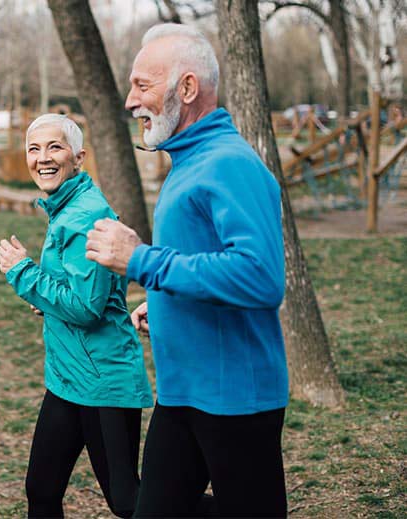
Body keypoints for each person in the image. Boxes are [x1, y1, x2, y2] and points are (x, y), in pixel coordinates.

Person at [85, 23, 289, 518]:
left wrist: (140, 261)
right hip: (182, 394)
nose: (131, 102)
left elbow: (261, 276)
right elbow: (203, 261)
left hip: (235, 399)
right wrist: (163, 303)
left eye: (142, 86)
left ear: (188, 88)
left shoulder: (228, 164)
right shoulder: (189, 162)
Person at [0, 113, 153, 518]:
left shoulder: (84, 216)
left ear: (78, 157)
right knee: (42, 489)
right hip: (69, 378)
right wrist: (48, 297)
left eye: (55, 147)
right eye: (34, 149)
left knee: (128, 501)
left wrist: (23, 273)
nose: (42, 158)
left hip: (103, 380)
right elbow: (86, 292)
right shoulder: (66, 207)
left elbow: (86, 309)